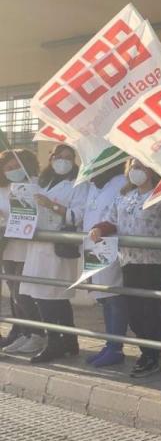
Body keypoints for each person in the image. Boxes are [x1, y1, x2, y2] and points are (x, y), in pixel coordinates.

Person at [89, 159, 161, 378]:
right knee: (136, 312)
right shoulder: (123, 197)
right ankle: (147, 352)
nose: (136, 171)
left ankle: (158, 354)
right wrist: (98, 229)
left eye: (141, 167)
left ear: (152, 169)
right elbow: (111, 221)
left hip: (158, 262)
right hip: (130, 261)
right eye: (133, 167)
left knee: (156, 311)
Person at [19, 143, 89, 363]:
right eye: (59, 156)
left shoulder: (78, 184)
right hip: (38, 245)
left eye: (69, 157)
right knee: (48, 297)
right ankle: (69, 341)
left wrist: (52, 205)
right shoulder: (42, 181)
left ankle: (55, 342)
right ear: (51, 158)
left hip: (59, 247)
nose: (63, 161)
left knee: (51, 297)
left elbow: (77, 216)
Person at [81, 165, 129, 367]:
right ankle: (109, 343)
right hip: (94, 246)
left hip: (111, 246)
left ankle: (116, 347)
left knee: (114, 298)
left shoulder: (119, 182)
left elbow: (114, 217)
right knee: (103, 298)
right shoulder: (95, 185)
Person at [0, 149, 44, 355]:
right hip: (9, 248)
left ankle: (37, 334)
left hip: (28, 248)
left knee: (23, 294)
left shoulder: (36, 184)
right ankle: (24, 333)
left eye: (16, 166)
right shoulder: (3, 188)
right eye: (8, 168)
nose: (13, 171)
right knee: (15, 295)